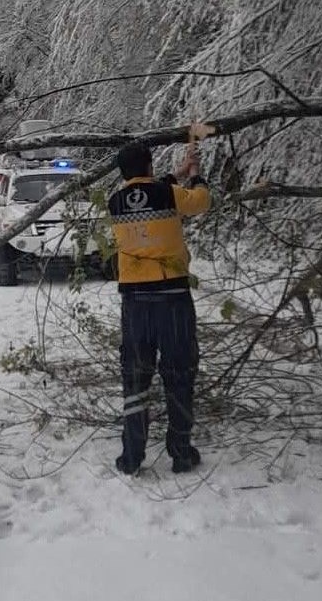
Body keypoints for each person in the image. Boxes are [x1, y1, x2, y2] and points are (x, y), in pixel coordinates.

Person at [107, 139, 210, 475]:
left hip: (135, 303)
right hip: (172, 298)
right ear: (150, 167)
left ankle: (132, 455)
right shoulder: (169, 194)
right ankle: (180, 451)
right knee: (179, 373)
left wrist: (175, 173)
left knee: (135, 375)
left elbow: (148, 193)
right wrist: (194, 175)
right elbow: (200, 202)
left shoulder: (115, 202)